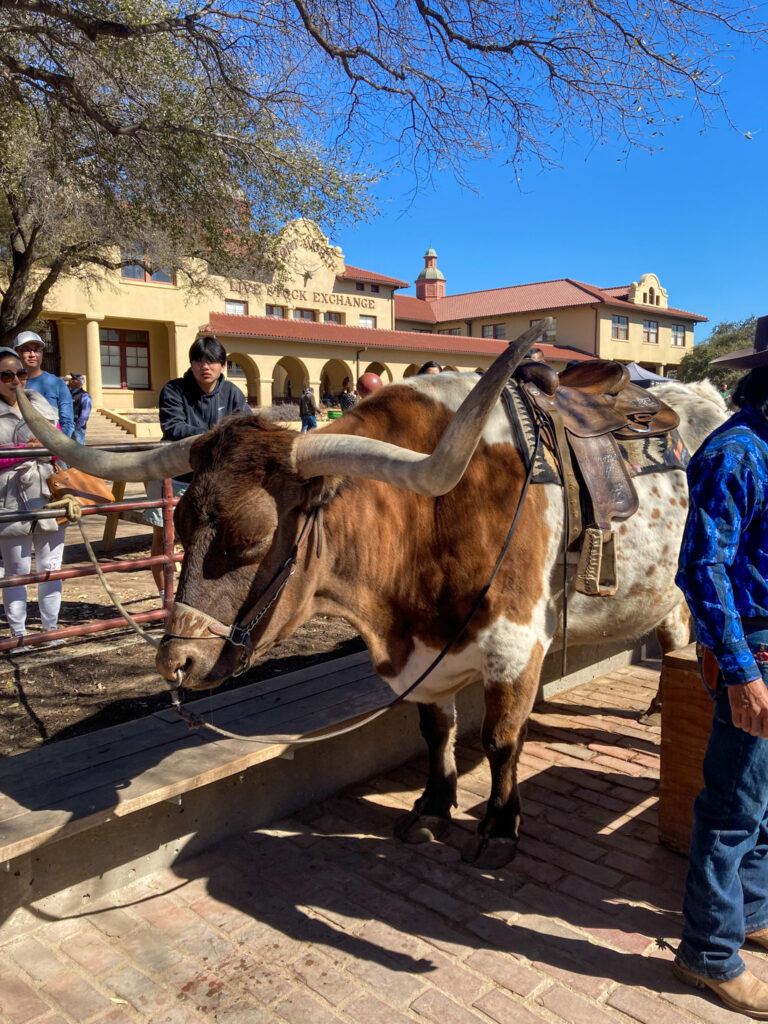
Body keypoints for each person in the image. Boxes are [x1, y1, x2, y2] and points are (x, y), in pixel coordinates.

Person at [673, 314, 768, 1017]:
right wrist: (741, 672)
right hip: (756, 649)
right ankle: (709, 952)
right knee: (732, 805)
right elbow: (702, 570)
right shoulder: (737, 453)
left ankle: (754, 912)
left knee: (762, 801)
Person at [144, 335, 250, 602]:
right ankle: (165, 599)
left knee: (214, 540)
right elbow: (173, 427)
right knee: (165, 539)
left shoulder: (232, 393)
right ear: (191, 363)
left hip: (215, 481)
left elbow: (246, 427)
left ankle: (207, 599)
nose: (206, 366)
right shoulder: (174, 389)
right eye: (199, 360)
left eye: (212, 361)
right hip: (174, 478)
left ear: (223, 366)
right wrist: (219, 435)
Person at [0, 346, 67, 650]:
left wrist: (47, 445)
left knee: (51, 567)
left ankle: (50, 630)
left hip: (45, 494)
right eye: (6, 375)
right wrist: (24, 450)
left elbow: (60, 445)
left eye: (20, 373)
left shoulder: (41, 403)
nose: (15, 380)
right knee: (16, 571)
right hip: (9, 498)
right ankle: (18, 636)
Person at [12, 331, 74, 438]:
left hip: (49, 449)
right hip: (14, 450)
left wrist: (55, 448)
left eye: (36, 350)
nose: (32, 355)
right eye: (26, 350)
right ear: (15, 353)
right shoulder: (7, 383)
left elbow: (67, 422)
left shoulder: (57, 384)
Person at [67, 374, 92, 445]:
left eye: (74, 379)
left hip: (77, 428)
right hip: (66, 426)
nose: (71, 380)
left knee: (79, 450)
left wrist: (76, 427)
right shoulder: (67, 393)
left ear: (80, 383)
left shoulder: (84, 395)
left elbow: (85, 415)